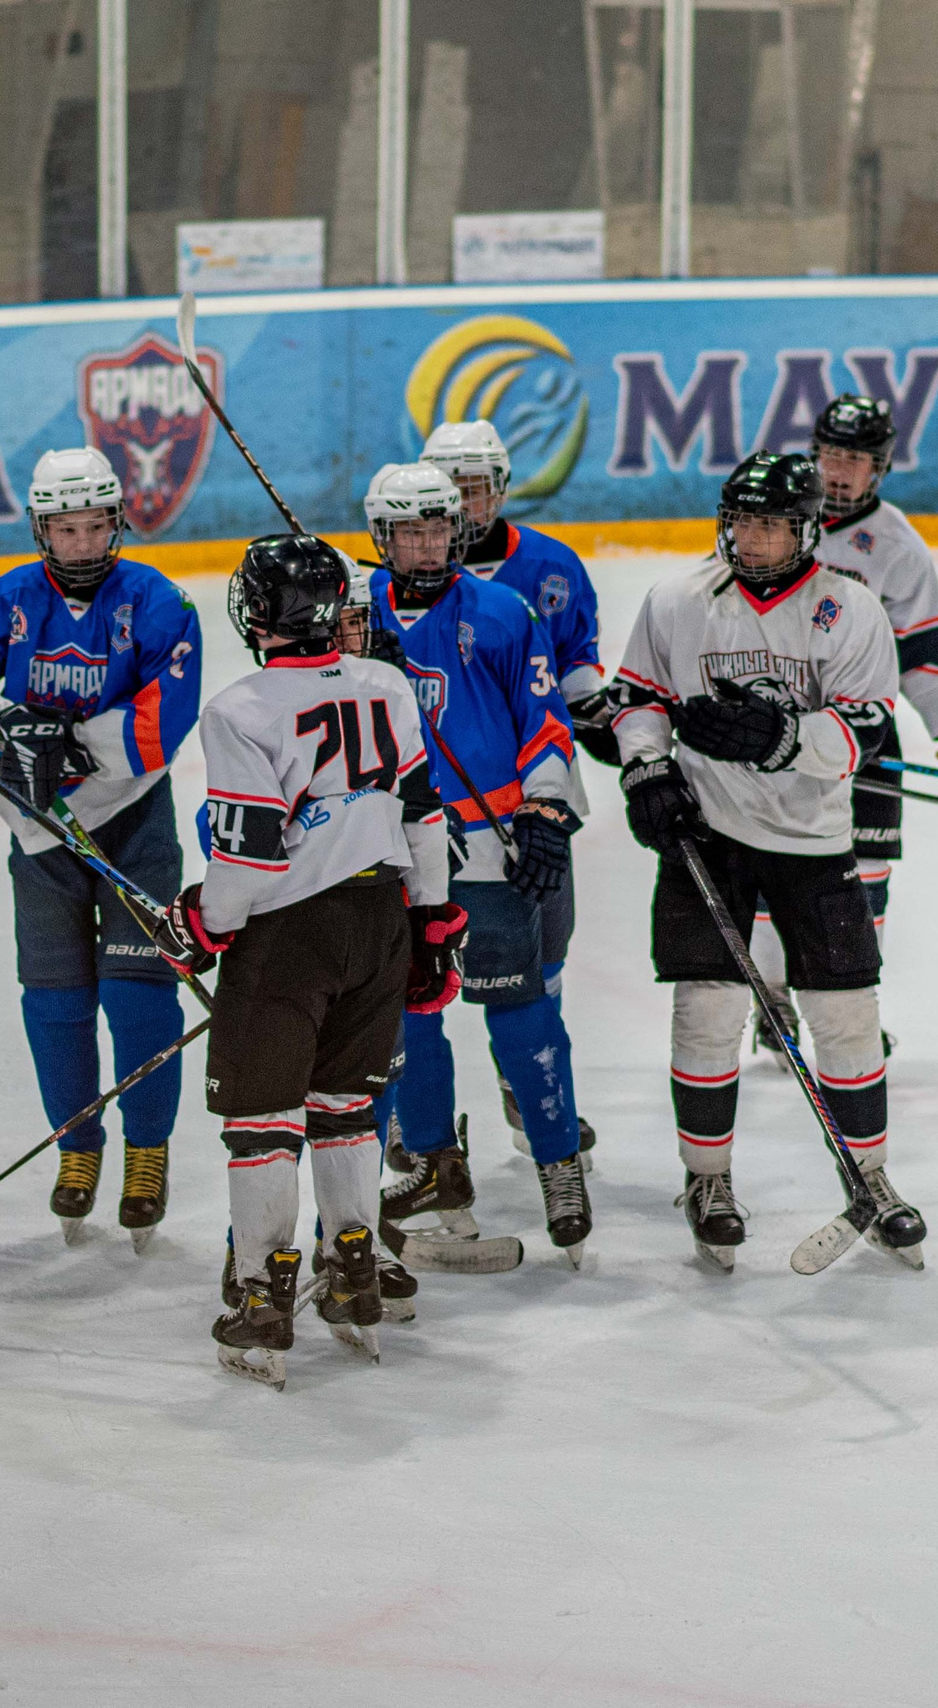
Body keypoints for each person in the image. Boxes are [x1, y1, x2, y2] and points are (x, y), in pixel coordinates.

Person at [608, 451, 926, 1271]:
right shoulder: (678, 599)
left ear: (806, 530)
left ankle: (870, 1177)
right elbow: (638, 698)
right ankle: (707, 1179)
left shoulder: (848, 609)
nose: (751, 539)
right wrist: (646, 767)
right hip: (709, 835)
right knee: (706, 1010)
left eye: (771, 525)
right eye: (742, 521)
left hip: (812, 842)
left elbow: (867, 729)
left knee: (847, 1015)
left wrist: (786, 736)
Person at [156, 534, 461, 1389]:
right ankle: (353, 1273)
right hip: (381, 922)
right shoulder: (388, 685)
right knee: (345, 1109)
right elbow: (423, 816)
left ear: (260, 614)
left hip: (290, 936)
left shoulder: (240, 709)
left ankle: (261, 1297)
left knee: (262, 1120)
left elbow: (248, 857)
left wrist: (203, 922)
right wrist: (432, 923)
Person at [0, 447, 203, 1247]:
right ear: (40, 529)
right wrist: (8, 723)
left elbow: (167, 717)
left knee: (138, 994)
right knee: (55, 1000)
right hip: (39, 827)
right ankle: (77, 1147)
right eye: (66, 528)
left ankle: (147, 1152)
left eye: (95, 526)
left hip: (133, 821)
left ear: (117, 523)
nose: (83, 544)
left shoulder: (160, 603)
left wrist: (71, 741)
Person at [350, 463, 591, 1272]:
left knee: (519, 1008)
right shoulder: (352, 615)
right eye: (408, 532)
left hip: (487, 844)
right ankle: (432, 1160)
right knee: (409, 1011)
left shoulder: (502, 612)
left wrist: (545, 809)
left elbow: (545, 722)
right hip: (395, 846)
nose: (426, 546)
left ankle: (558, 1161)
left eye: (437, 529)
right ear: (382, 536)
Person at [744, 393, 938, 1059]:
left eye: (854, 460)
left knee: (866, 875)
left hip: (863, 736)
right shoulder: (778, 520)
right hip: (779, 731)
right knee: (772, 867)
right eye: (830, 455)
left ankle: (855, 1008)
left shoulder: (898, 548)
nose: (838, 471)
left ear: (879, 468)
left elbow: (923, 663)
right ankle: (772, 997)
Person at [422, 421, 606, 1166]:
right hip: (435, 810)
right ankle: (414, 1118)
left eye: (474, 488)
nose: (463, 505)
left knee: (544, 957)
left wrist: (603, 716)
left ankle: (528, 1087)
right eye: (450, 489)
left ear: (499, 488)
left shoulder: (552, 566)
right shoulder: (400, 580)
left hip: (534, 798)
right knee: (410, 969)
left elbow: (577, 669)